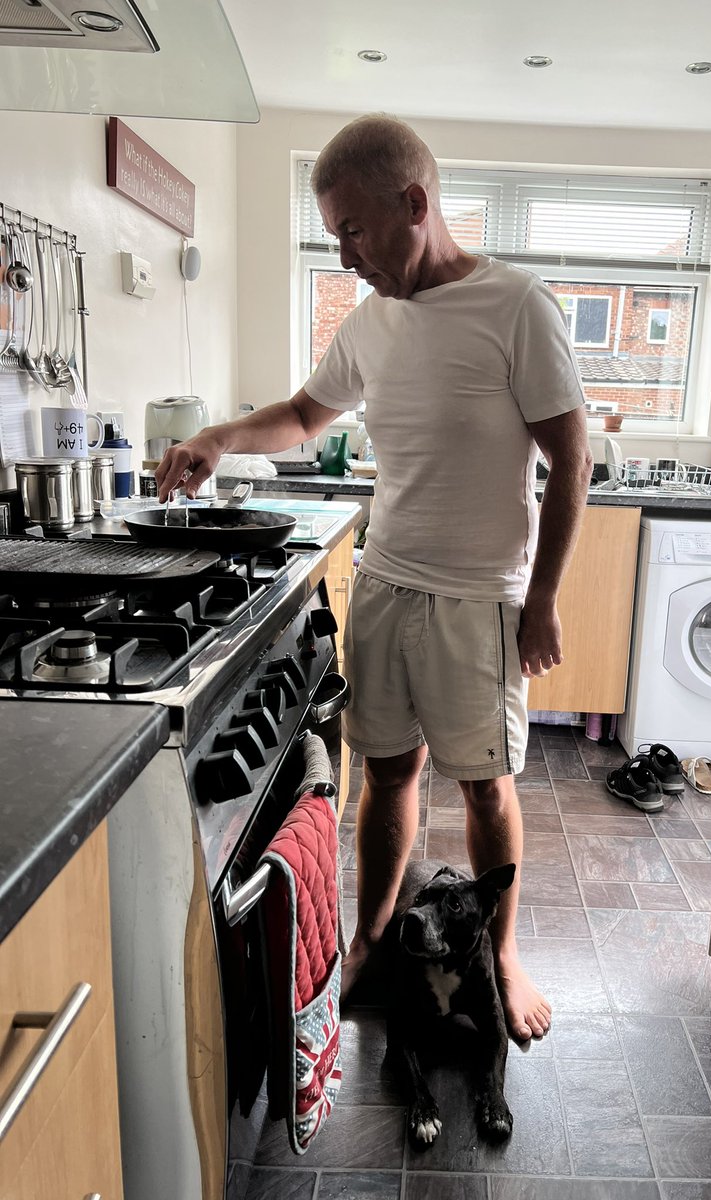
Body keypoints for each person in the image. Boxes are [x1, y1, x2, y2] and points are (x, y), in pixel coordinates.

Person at [156, 114, 593, 1041]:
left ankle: (500, 955)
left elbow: (571, 455)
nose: (344, 253)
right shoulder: (369, 321)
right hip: (388, 582)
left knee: (485, 788)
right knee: (388, 776)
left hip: (482, 600)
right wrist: (218, 439)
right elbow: (306, 414)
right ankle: (369, 938)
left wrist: (544, 597)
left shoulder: (519, 305)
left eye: (352, 229)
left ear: (415, 204)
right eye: (332, 234)